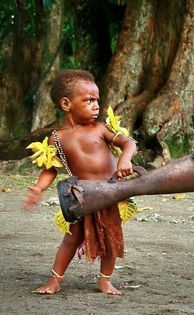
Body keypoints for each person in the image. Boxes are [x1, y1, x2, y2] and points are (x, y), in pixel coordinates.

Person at [23, 69, 137, 295]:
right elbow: (50, 169)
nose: (96, 105)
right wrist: (38, 188)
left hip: (110, 192)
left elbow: (129, 143)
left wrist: (124, 159)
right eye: (88, 100)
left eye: (97, 100)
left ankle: (105, 280)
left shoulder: (102, 129)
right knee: (72, 237)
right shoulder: (57, 138)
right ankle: (55, 280)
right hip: (82, 196)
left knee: (112, 237)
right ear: (66, 104)